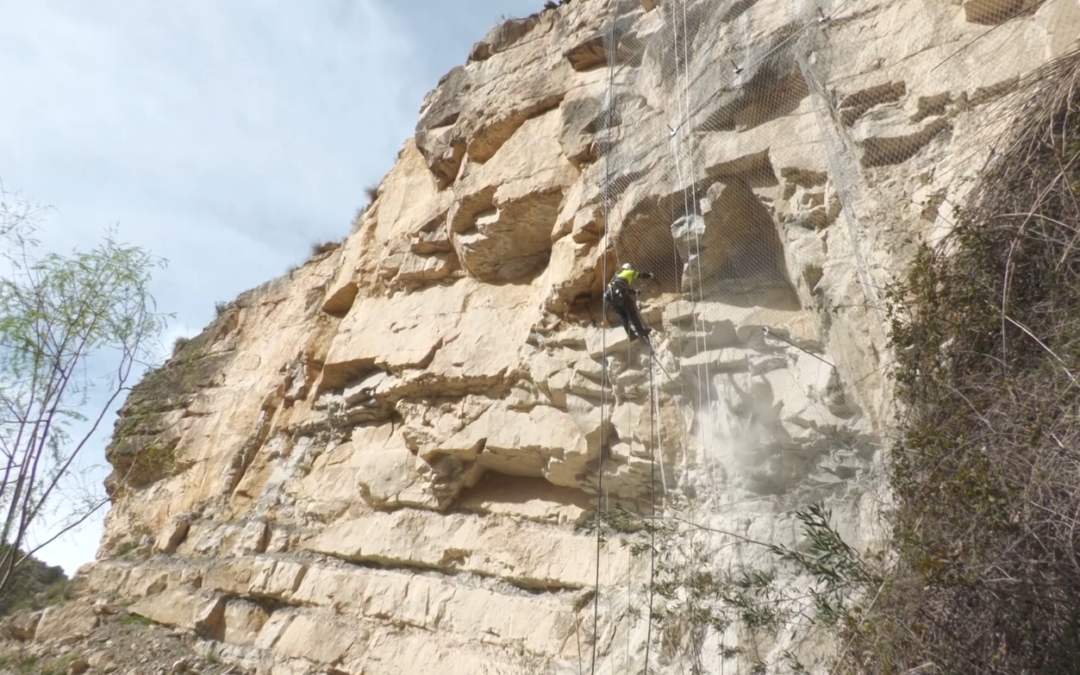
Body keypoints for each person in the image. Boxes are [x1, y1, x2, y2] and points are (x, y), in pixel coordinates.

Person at [605, 262, 654, 341]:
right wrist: (650, 275)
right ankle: (641, 332)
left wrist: (635, 292)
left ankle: (631, 336)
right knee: (632, 314)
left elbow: (623, 288)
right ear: (629, 268)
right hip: (622, 297)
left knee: (624, 318)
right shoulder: (629, 272)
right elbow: (640, 275)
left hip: (612, 300)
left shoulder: (616, 277)